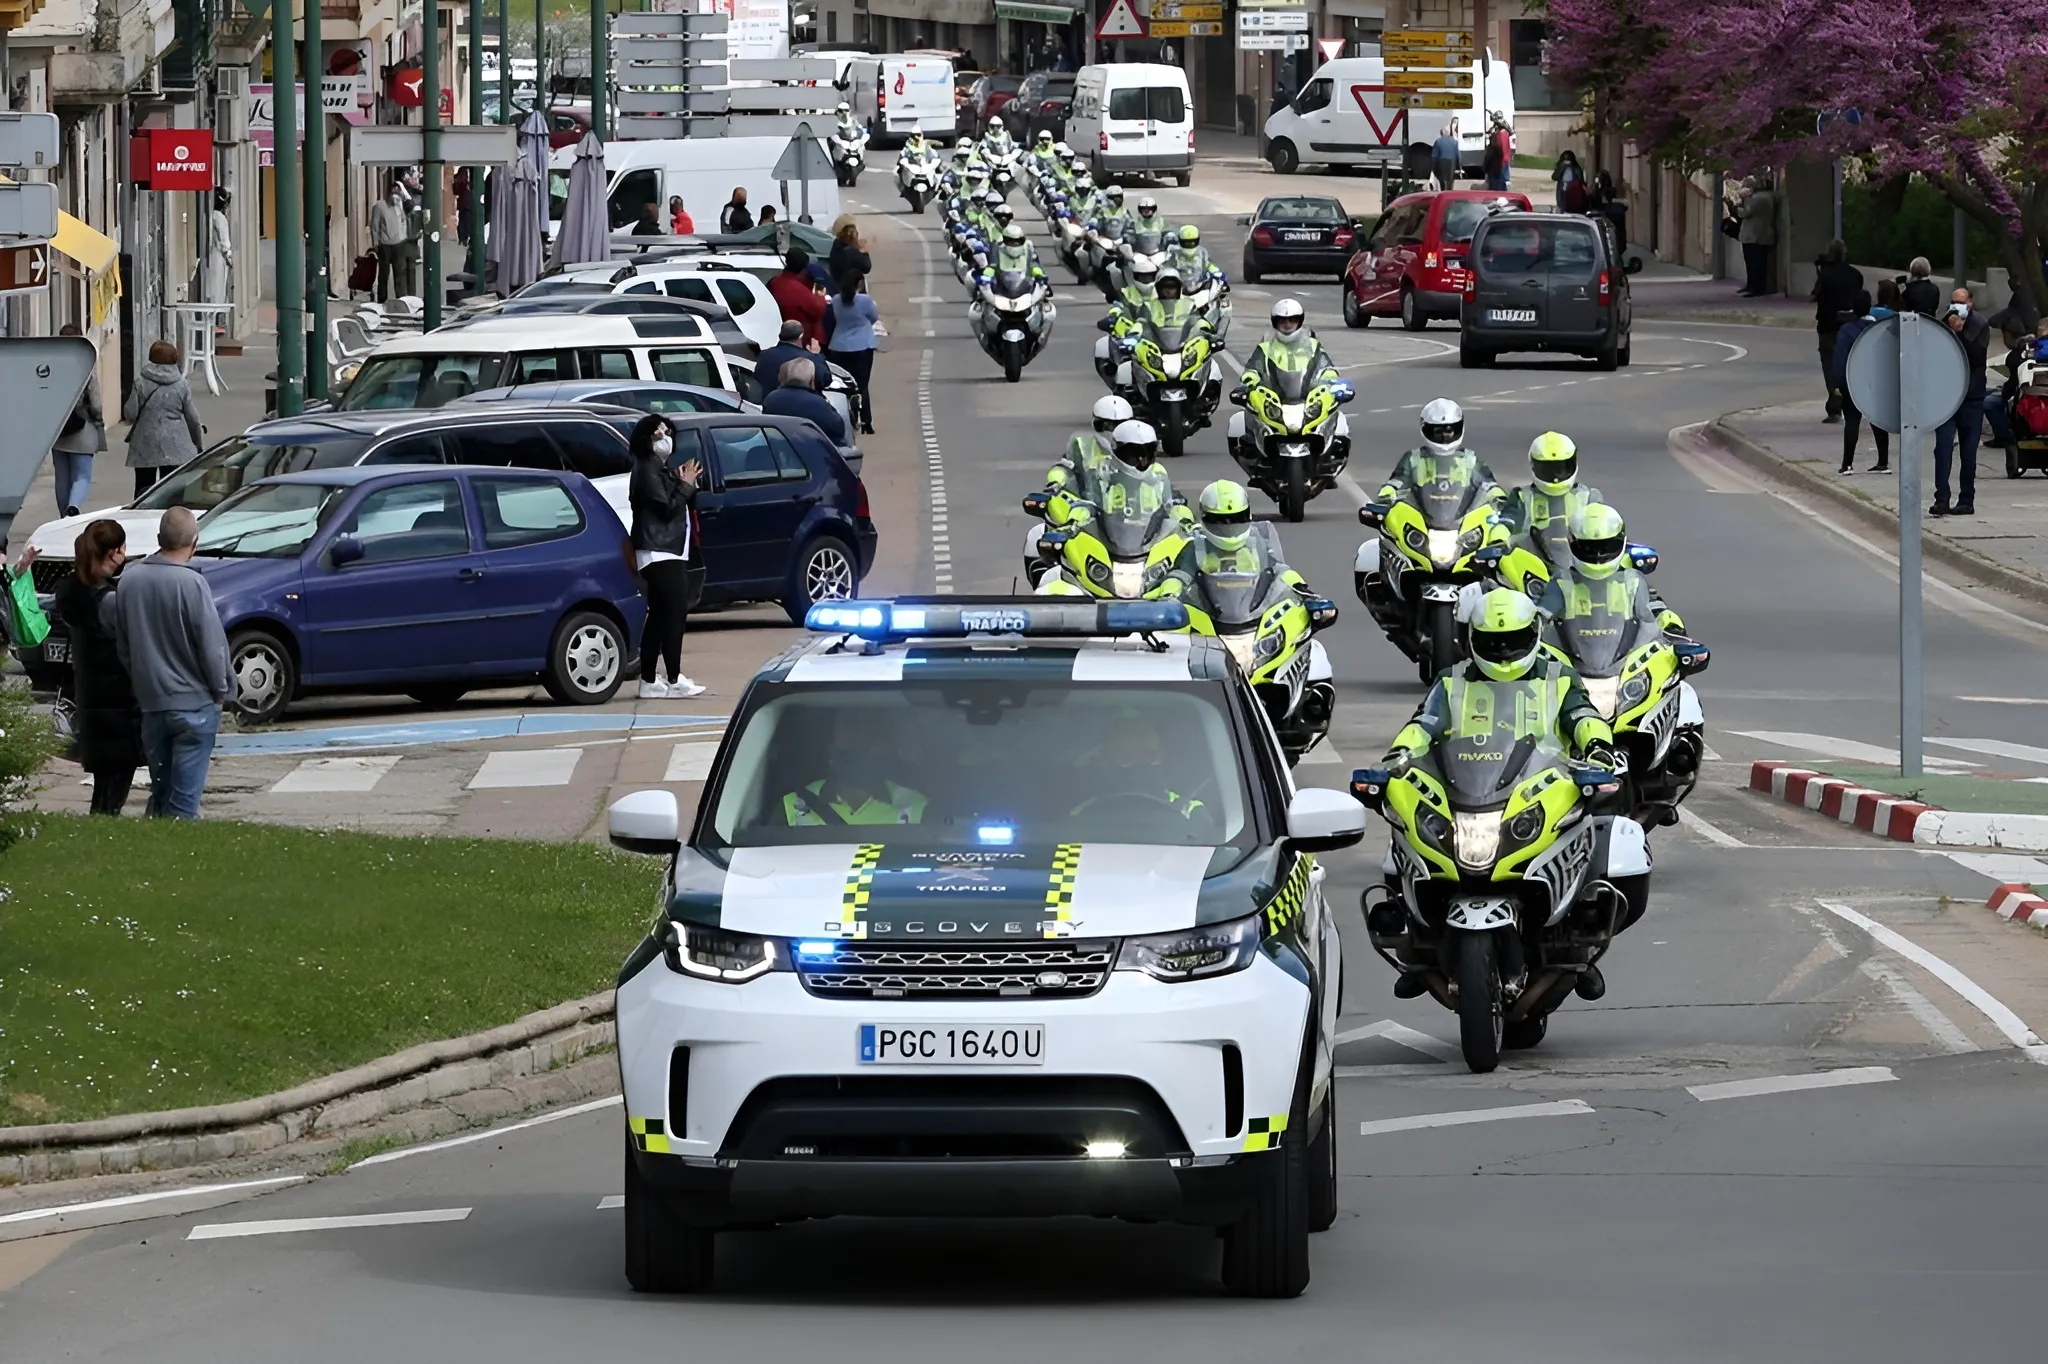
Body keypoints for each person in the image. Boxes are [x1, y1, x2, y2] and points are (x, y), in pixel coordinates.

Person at [1383, 588, 1618, 771]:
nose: (1504, 651)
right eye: (1492, 642)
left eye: (1515, 640)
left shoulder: (1559, 678)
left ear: (1535, 632)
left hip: (1545, 785)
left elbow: (1583, 718)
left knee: (1602, 816)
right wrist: (1402, 751)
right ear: (1472, 638)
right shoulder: (1451, 681)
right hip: (1467, 785)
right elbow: (1425, 724)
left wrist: (1597, 746)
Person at [111, 506, 230, 819]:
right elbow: (211, 646)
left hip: (152, 703)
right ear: (195, 542)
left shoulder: (130, 579)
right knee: (184, 803)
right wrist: (220, 690)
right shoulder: (191, 584)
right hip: (194, 704)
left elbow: (124, 645)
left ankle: (155, 853)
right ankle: (180, 857)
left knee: (161, 793)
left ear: (159, 538)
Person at [54, 519, 141, 815]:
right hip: (118, 704)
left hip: (91, 701)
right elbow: (131, 649)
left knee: (104, 790)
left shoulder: (74, 592)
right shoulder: (109, 601)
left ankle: (98, 831)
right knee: (114, 791)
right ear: (115, 551)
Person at [627, 414, 706, 700]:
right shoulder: (647, 469)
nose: (665, 438)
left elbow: (675, 502)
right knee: (673, 617)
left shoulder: (658, 469)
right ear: (646, 440)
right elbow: (667, 509)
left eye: (666, 432)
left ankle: (649, 680)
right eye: (658, 434)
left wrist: (685, 481)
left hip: (667, 551)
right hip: (659, 553)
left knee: (660, 618)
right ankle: (674, 679)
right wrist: (684, 485)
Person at [1493, 431, 1606, 578]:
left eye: (1561, 468)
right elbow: (1507, 520)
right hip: (1529, 571)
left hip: (1580, 571)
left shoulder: (1589, 497)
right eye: (1549, 469)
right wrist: (1497, 540)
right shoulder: (1522, 496)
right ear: (1534, 465)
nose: (1556, 476)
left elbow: (1604, 532)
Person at [782, 717, 927, 825]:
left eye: (869, 731)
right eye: (849, 726)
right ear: (830, 746)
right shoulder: (792, 804)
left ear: (886, 744)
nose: (858, 738)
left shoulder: (915, 806)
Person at [1932, 286, 1991, 517]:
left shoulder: (1980, 325)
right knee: (1943, 448)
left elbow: (1976, 358)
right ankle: (1941, 498)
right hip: (1947, 397)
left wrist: (1961, 334)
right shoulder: (1944, 323)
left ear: (1971, 303)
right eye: (1954, 302)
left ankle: (1966, 499)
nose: (1958, 307)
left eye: (1962, 302)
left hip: (1971, 397)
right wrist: (1949, 328)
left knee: (1968, 452)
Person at [1375, 398, 1500, 503]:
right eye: (1438, 432)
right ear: (1426, 430)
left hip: (1460, 517)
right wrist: (1386, 494)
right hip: (1421, 515)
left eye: (1449, 431)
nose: (1445, 436)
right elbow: (1397, 481)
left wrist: (1498, 496)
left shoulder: (1470, 459)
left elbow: (1488, 483)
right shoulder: (1413, 458)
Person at [124, 340, 203, 499]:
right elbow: (192, 418)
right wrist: (197, 443)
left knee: (143, 487)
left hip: (145, 443)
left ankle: (142, 516)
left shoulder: (140, 382)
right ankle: (170, 517)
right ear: (175, 359)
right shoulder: (181, 384)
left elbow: (130, 414)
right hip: (175, 443)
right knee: (172, 489)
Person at [1832, 285, 1894, 475]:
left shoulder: (1847, 330)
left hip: (1853, 381)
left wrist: (1837, 383)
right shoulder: (1878, 328)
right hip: (1876, 380)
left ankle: (1847, 464)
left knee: (1852, 421)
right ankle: (1883, 462)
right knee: (1878, 420)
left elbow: (1840, 358)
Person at [51, 323, 105, 517]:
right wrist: (98, 419)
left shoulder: (50, 365)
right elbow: (96, 401)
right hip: (82, 429)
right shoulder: (85, 365)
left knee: (62, 478)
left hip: (57, 429)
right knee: (82, 475)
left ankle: (62, 515)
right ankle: (73, 507)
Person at [1810, 239, 1864, 422]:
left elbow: (1815, 294)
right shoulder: (1855, 275)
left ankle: (1835, 405)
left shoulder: (1826, 275)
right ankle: (1851, 402)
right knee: (1849, 363)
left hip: (1828, 324)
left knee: (1830, 364)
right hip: (1850, 322)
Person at [822, 271, 879, 436]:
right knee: (862, 385)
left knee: (843, 384)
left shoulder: (836, 301)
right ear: (859, 284)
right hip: (862, 346)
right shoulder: (865, 300)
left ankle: (847, 417)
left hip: (839, 345)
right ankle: (866, 421)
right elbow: (874, 317)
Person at [762, 356, 848, 445]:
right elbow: (838, 428)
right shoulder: (818, 403)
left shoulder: (771, 398)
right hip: (811, 449)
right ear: (812, 380)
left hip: (779, 446)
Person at [769, 247, 829, 346]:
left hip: (779, 334)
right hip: (800, 339)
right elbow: (818, 310)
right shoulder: (798, 290)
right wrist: (820, 297)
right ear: (803, 268)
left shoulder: (774, 282)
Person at [757, 317, 829, 392]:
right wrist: (816, 355)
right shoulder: (811, 358)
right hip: (797, 401)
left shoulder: (764, 355)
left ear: (780, 334)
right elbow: (825, 380)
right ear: (801, 335)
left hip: (766, 400)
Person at [1733, 174, 1776, 297]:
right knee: (1754, 262)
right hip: (1758, 234)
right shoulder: (1766, 197)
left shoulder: (1758, 199)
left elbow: (1745, 213)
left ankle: (1757, 288)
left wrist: (1740, 204)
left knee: (1755, 263)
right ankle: (1752, 285)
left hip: (1755, 235)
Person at [370, 179, 411, 302]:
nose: (395, 195)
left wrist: (403, 195)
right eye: (394, 190)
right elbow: (374, 226)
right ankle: (382, 300)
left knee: (400, 273)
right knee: (384, 274)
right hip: (385, 245)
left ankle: (401, 299)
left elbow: (407, 213)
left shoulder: (400, 205)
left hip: (399, 243)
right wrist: (375, 243)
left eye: (398, 191)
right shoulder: (379, 206)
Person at [203, 188, 233, 306]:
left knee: (210, 287)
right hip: (218, 257)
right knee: (218, 287)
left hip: (209, 254)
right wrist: (229, 257)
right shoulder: (220, 218)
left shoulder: (209, 215)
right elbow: (224, 241)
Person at [828, 218, 872, 292]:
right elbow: (867, 267)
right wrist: (864, 252)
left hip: (837, 290)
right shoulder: (853, 254)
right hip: (854, 294)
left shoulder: (836, 248)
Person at [1485, 112, 1513, 191]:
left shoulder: (1499, 134)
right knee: (1505, 182)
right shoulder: (1505, 132)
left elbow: (1496, 149)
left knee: (1498, 184)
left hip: (1499, 162)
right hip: (1505, 160)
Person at [1431, 122, 1460, 193]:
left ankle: (1443, 191)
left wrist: (1433, 167)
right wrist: (1459, 166)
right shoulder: (1455, 142)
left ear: (1441, 133)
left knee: (1442, 179)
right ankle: (1449, 193)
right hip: (1451, 161)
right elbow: (1458, 155)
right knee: (1450, 180)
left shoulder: (1438, 141)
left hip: (1442, 161)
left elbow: (1434, 156)